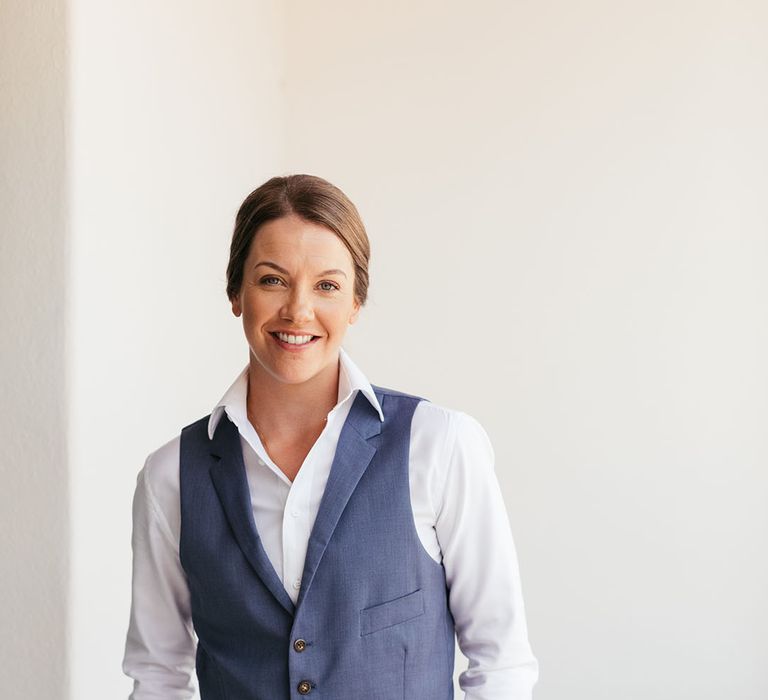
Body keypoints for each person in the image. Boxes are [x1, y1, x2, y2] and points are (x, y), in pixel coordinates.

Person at [122, 174, 539, 699]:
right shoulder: (170, 477)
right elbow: (158, 676)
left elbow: (501, 664)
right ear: (236, 293)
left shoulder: (439, 446)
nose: (298, 310)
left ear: (355, 303)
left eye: (327, 285)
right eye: (272, 280)